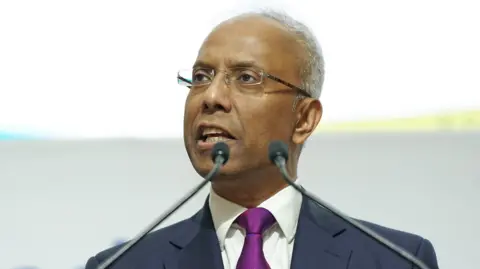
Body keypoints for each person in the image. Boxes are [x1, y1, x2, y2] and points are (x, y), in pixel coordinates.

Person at [85, 10, 439, 269]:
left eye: (246, 78)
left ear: (304, 119)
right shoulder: (120, 265)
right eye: (201, 76)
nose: (211, 96)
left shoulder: (395, 260)